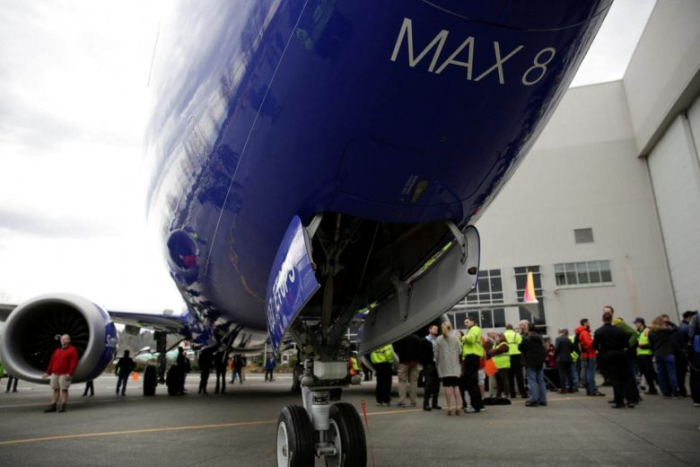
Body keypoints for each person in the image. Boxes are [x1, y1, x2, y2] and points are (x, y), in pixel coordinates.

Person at [594, 311, 632, 408]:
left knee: (614, 379)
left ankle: (619, 401)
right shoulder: (620, 331)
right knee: (624, 378)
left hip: (608, 355)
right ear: (612, 319)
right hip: (620, 354)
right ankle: (629, 399)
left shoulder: (599, 331)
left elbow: (595, 345)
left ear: (603, 319)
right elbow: (626, 344)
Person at [607, 306, 640, 404]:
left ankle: (633, 396)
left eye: (608, 311)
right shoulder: (612, 325)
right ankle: (622, 396)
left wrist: (627, 345)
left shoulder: (619, 324)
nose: (606, 313)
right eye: (604, 311)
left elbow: (634, 333)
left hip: (625, 354)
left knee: (628, 375)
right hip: (619, 354)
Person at [43, 334, 79, 413]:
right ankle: (53, 405)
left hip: (64, 374)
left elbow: (73, 363)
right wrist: (48, 372)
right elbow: (52, 362)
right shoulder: (57, 350)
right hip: (55, 373)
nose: (63, 340)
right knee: (55, 389)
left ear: (69, 340)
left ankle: (63, 406)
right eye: (62, 339)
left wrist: (70, 373)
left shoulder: (72, 350)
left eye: (65, 339)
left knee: (64, 389)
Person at [434, 321, 463, 416]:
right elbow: (460, 351)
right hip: (455, 365)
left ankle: (449, 407)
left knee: (446, 386)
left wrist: (438, 362)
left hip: (444, 366)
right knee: (456, 386)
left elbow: (436, 353)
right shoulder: (455, 338)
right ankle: (458, 406)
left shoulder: (439, 339)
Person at [648, 315, 680, 398]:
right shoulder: (665, 331)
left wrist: (654, 353)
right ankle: (675, 391)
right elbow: (676, 327)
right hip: (668, 353)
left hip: (658, 354)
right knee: (671, 373)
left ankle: (665, 391)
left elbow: (651, 345)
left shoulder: (651, 332)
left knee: (661, 374)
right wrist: (668, 322)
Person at [519, 321, 547, 407]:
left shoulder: (527, 339)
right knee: (540, 380)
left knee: (532, 380)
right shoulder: (540, 338)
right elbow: (544, 349)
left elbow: (520, 347)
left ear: (528, 329)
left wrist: (523, 335)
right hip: (540, 361)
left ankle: (533, 399)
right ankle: (543, 399)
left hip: (530, 361)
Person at [575, 319, 604, 397]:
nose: (589, 324)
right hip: (590, 355)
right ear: (585, 323)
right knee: (591, 373)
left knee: (587, 372)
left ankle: (589, 390)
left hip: (585, 355)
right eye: (588, 322)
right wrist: (596, 344)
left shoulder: (579, 332)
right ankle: (593, 390)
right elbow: (590, 344)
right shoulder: (584, 332)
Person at [461, 317, 484, 413]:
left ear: (472, 322)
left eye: (467, 322)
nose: (465, 324)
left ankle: (475, 405)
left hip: (472, 356)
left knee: (471, 381)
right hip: (472, 356)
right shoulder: (471, 330)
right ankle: (479, 404)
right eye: (464, 322)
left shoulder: (474, 329)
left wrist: (462, 338)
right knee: (473, 381)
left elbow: (470, 339)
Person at [393, 334, 421, 408]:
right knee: (414, 381)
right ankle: (413, 401)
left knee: (402, 381)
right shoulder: (417, 338)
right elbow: (420, 350)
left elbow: (396, 349)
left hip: (403, 362)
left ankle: (402, 401)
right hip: (415, 362)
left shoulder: (400, 338)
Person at [419, 324, 441, 411]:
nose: (436, 330)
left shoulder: (438, 340)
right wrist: (425, 364)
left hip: (437, 364)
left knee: (437, 384)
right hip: (428, 365)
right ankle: (426, 403)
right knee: (429, 383)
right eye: (434, 329)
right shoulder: (424, 340)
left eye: (437, 329)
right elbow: (420, 354)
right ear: (429, 330)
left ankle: (435, 403)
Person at [673, 311, 695, 398]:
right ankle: (683, 391)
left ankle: (682, 390)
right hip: (687, 353)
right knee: (688, 373)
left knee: (681, 373)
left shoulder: (681, 327)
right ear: (689, 317)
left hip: (681, 353)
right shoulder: (687, 328)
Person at [634, 318, 658, 395]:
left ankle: (653, 387)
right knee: (644, 372)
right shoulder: (637, 331)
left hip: (647, 354)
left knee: (649, 372)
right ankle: (651, 387)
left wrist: (645, 346)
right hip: (640, 354)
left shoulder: (647, 330)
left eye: (636, 323)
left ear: (640, 323)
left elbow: (652, 342)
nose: (635, 324)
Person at [504, 324, 526, 399]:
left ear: (506, 329)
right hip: (517, 355)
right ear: (512, 328)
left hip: (507, 355)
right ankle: (523, 393)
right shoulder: (517, 335)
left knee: (510, 376)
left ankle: (512, 393)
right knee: (519, 375)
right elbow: (521, 344)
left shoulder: (503, 335)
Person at [488, 333, 511, 398]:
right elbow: (490, 352)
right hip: (496, 365)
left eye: (497, 337)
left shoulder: (504, 344)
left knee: (504, 380)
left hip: (503, 365)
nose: (495, 338)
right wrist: (493, 351)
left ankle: (506, 394)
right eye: (495, 337)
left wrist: (493, 351)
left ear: (501, 337)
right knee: (498, 381)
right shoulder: (495, 345)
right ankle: (499, 394)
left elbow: (499, 350)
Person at [554, 329, 575, 393]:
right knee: (569, 373)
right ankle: (571, 388)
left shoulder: (558, 339)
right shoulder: (569, 339)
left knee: (562, 373)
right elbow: (572, 350)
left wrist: (555, 356)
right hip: (569, 358)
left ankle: (563, 389)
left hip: (561, 358)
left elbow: (557, 349)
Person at [688, 310, 700, 406]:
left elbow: (690, 335)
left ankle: (697, 399)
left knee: (696, 376)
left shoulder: (695, 318)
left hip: (696, 353)